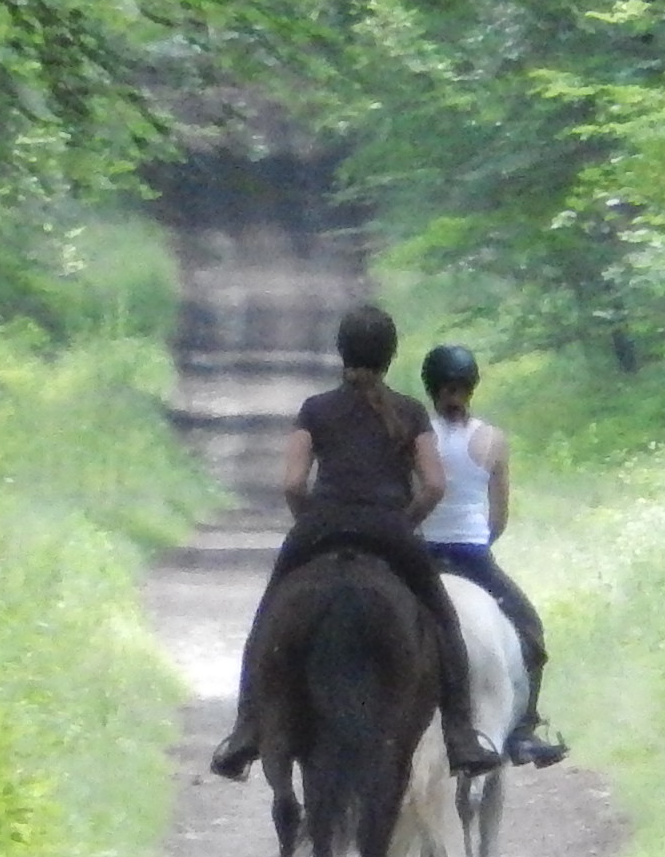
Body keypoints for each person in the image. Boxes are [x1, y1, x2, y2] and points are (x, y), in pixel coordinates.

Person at [208, 306, 502, 782]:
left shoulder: (315, 408)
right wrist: (403, 523)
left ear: (341, 351)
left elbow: (293, 484)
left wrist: (314, 524)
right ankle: (461, 732)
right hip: (389, 528)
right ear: (390, 355)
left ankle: (245, 729)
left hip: (322, 525)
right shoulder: (409, 411)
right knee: (442, 616)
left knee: (268, 616)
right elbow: (433, 485)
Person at [418, 342, 566, 767]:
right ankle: (522, 731)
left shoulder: (419, 437)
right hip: (473, 557)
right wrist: (479, 541)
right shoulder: (493, 440)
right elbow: (498, 518)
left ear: (431, 388)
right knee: (530, 632)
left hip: (422, 556)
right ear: (472, 387)